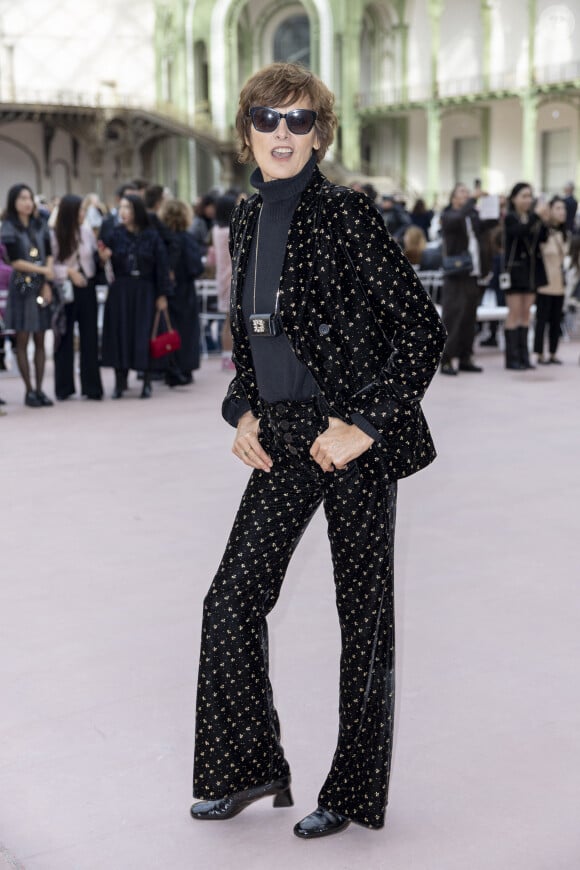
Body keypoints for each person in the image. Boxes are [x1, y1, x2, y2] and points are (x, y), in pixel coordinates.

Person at [190, 62, 446, 840]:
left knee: (360, 616)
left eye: (299, 120)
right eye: (268, 119)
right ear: (246, 134)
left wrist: (363, 423)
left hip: (352, 437)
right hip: (283, 434)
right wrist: (240, 411)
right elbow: (249, 338)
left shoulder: (346, 213)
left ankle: (351, 789)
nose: (282, 133)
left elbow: (420, 331)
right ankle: (247, 765)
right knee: (231, 600)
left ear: (320, 134)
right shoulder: (246, 217)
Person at [99, 194, 170, 399]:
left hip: (145, 289)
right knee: (119, 333)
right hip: (120, 290)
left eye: (127, 207)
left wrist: (162, 294)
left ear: (137, 211)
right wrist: (103, 259)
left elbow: (161, 267)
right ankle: (120, 381)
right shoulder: (114, 234)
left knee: (143, 333)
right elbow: (101, 262)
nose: (122, 212)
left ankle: (146, 380)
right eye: (120, 207)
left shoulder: (151, 235)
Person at [0, 183, 54, 407]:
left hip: (41, 285)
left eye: (29, 198)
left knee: (40, 337)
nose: (27, 202)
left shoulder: (40, 224)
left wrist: (47, 281)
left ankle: (40, 390)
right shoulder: (9, 227)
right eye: (22, 198)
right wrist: (43, 270)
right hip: (22, 285)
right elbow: (15, 261)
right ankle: (29, 390)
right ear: (14, 201)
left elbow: (49, 252)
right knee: (22, 338)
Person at [50, 194, 104, 400]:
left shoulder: (87, 231)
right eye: (80, 210)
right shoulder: (55, 235)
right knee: (64, 336)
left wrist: (101, 257)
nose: (83, 214)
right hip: (65, 289)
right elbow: (51, 264)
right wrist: (69, 272)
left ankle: (92, 387)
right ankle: (64, 387)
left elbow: (92, 257)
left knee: (89, 336)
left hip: (86, 287)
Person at [439, 183, 484, 375]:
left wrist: (494, 207)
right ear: (453, 198)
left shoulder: (471, 216)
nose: (466, 195)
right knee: (453, 316)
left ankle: (466, 357)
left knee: (469, 317)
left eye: (468, 192)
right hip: (455, 273)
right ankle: (447, 359)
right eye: (462, 192)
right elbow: (455, 220)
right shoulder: (448, 215)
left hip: (472, 271)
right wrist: (473, 200)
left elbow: (486, 228)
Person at [159, 198, 204, 385]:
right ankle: (186, 368)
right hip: (185, 290)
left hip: (166, 291)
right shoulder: (188, 238)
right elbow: (196, 268)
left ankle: (169, 366)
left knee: (168, 327)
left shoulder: (161, 238)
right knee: (188, 330)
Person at [503, 183, 548, 370]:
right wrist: (537, 216)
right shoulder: (510, 218)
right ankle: (512, 358)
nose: (527, 200)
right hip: (514, 270)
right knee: (514, 313)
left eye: (530, 196)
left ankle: (524, 356)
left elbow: (542, 239)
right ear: (514, 199)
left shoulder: (532, 218)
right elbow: (518, 233)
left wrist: (543, 220)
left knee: (526, 313)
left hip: (531, 271)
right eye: (523, 196)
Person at [534, 196, 568, 365]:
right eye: (558, 208)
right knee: (542, 320)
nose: (562, 212)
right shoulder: (542, 232)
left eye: (563, 208)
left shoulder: (565, 233)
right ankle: (539, 353)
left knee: (556, 320)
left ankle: (553, 353)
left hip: (560, 284)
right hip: (544, 284)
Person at [212, 193, 237, 371]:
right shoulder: (230, 230)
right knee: (231, 321)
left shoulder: (216, 230)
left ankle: (226, 356)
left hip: (222, 277)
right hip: (231, 278)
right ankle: (230, 357)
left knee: (227, 320)